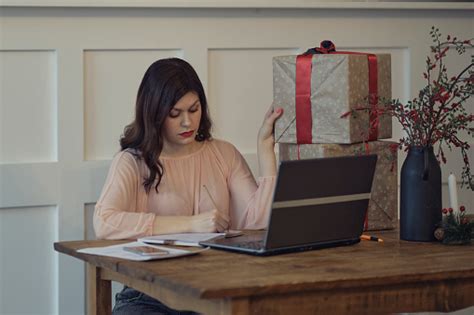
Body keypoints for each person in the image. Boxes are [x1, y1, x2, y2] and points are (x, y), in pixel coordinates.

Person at [93, 58, 282, 315]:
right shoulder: (131, 161)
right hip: (146, 297)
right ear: (154, 114)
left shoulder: (223, 154)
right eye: (175, 113)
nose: (187, 123)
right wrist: (190, 223)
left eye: (194, 110)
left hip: (213, 291)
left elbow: (258, 224)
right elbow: (105, 222)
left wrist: (265, 151)